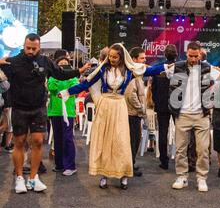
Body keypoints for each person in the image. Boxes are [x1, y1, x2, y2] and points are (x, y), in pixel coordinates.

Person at [59, 43, 165, 190]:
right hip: (105, 107)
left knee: (121, 140)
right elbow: (86, 84)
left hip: (120, 107)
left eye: (115, 57)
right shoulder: (103, 69)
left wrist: (170, 66)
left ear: (121, 57)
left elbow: (151, 70)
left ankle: (123, 175)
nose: (112, 59)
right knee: (105, 140)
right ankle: (104, 175)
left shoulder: (129, 70)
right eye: (110, 56)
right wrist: (67, 92)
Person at [0, 33, 91, 194]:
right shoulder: (12, 62)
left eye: (34, 48)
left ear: (39, 47)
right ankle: (20, 178)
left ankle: (34, 178)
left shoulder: (45, 61)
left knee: (38, 141)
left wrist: (79, 71)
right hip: (19, 108)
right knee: (19, 142)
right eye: (28, 47)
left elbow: (61, 74)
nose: (30, 51)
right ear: (23, 45)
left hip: (39, 108)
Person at [166, 41, 214, 192]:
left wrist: (210, 104)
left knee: (203, 150)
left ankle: (201, 178)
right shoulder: (178, 66)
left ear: (200, 54)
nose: (193, 59)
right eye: (191, 55)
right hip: (183, 114)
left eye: (196, 56)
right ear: (186, 53)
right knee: (180, 149)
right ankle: (182, 176)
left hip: (202, 114)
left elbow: (219, 81)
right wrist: (173, 108)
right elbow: (168, 82)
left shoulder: (207, 68)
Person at [47, 50, 79, 176]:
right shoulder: (52, 77)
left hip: (68, 112)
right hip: (55, 111)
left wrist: (66, 77)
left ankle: (70, 165)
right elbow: (52, 87)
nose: (63, 66)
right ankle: (59, 164)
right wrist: (58, 76)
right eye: (61, 64)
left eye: (66, 64)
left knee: (67, 138)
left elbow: (73, 88)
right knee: (58, 138)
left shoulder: (73, 77)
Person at [152, 44, 177, 170]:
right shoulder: (180, 69)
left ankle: (164, 160)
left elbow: (153, 89)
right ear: (176, 55)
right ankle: (182, 158)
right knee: (181, 133)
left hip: (162, 105)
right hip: (177, 105)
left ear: (165, 55)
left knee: (163, 132)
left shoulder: (158, 69)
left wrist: (156, 101)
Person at [124, 47, 147, 177]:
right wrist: (141, 108)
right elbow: (130, 94)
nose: (145, 60)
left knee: (133, 141)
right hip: (132, 114)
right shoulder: (133, 74)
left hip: (133, 113)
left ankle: (130, 164)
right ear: (134, 59)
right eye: (142, 58)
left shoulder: (136, 73)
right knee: (133, 141)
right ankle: (129, 167)